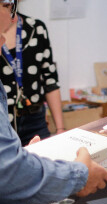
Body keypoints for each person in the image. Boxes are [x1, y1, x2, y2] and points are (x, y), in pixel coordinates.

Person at [0, 1, 107, 204]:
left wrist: (23, 155)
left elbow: (6, 165)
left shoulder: (36, 28)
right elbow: (7, 171)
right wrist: (79, 175)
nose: (3, 41)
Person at [0, 8, 65, 146]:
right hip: (3, 124)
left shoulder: (36, 28)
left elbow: (50, 80)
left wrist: (60, 128)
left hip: (34, 120)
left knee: (45, 163)